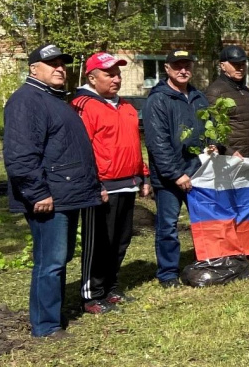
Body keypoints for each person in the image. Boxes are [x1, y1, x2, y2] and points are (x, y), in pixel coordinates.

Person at [4, 44, 103, 338]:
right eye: (52, 63)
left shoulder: (54, 99)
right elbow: (20, 155)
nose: (60, 68)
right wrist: (37, 193)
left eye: (62, 63)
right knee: (50, 261)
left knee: (59, 259)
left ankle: (53, 316)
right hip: (49, 197)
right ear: (34, 69)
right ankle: (45, 326)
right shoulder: (26, 101)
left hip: (66, 192)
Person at [71, 52, 150, 314]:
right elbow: (81, 151)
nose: (115, 79)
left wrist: (143, 175)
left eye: (118, 73)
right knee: (99, 243)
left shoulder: (126, 106)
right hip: (102, 187)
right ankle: (91, 294)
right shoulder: (84, 105)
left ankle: (110, 287)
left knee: (120, 240)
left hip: (128, 183)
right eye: (109, 74)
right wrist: (94, 184)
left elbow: (134, 146)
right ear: (92, 78)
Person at [143, 49, 210, 288]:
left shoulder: (198, 97)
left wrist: (214, 146)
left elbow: (208, 128)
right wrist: (175, 174)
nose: (183, 70)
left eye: (187, 66)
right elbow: (157, 142)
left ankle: (204, 260)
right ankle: (168, 273)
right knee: (168, 226)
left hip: (198, 172)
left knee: (202, 222)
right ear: (167, 69)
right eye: (177, 66)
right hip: (170, 178)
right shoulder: (158, 99)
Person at [203, 45, 249, 158]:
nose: (240, 68)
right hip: (233, 158)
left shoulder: (245, 90)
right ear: (223, 66)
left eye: (243, 64)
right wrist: (228, 151)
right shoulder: (216, 91)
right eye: (235, 64)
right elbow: (212, 128)